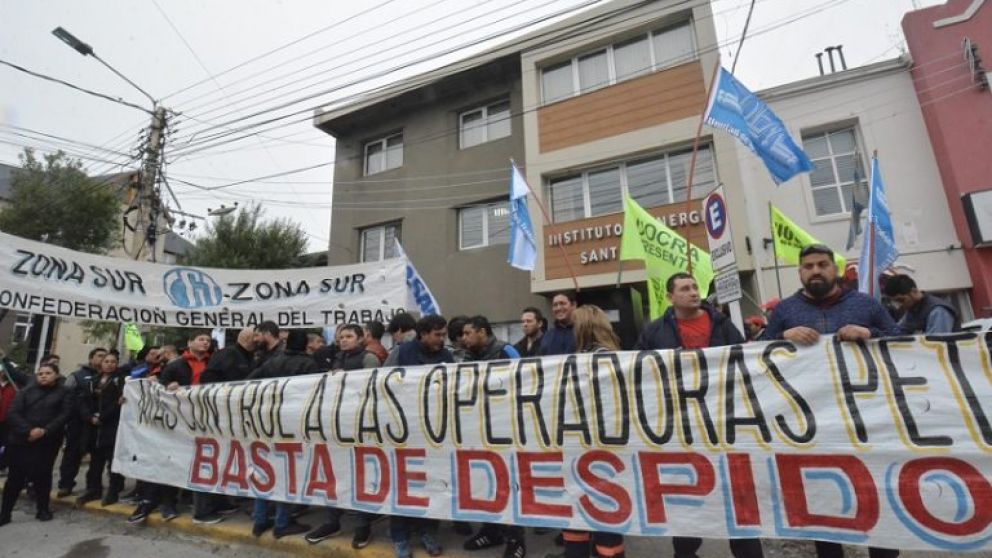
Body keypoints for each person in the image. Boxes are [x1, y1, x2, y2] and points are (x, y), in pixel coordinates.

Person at [761, 244, 900, 558]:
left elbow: (902, 342)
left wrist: (870, 333)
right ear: (800, 272)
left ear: (834, 269)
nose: (815, 271)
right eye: (808, 266)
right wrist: (783, 337)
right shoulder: (784, 311)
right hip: (812, 424)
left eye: (822, 264)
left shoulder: (865, 304)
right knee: (823, 497)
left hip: (866, 419)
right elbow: (758, 353)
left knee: (877, 491)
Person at [635, 272, 763, 558]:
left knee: (735, 494)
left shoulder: (723, 324)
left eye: (695, 287)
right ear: (671, 297)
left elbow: (745, 360)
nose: (693, 292)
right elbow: (637, 367)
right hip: (682, 427)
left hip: (725, 422)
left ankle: (746, 550)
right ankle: (686, 551)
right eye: (684, 288)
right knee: (686, 493)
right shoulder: (655, 331)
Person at [306, 324, 378, 549]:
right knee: (332, 476)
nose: (344, 340)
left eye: (349, 336)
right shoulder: (336, 359)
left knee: (359, 478)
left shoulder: (369, 359)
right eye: (341, 337)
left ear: (360, 338)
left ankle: (362, 526)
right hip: (335, 428)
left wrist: (347, 379)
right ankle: (331, 522)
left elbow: (374, 389)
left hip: (359, 429)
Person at [562, 305, 625, 558]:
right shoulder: (608, 355)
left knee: (589, 514)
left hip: (592, 448)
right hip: (599, 448)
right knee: (602, 516)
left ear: (584, 327)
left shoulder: (595, 359)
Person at [459, 316, 524, 558]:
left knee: (509, 484)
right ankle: (492, 531)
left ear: (482, 332)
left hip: (505, 429)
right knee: (484, 483)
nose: (463, 338)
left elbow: (525, 380)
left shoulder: (505, 351)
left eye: (467, 333)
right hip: (478, 430)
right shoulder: (467, 357)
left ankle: (516, 540)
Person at [390, 315, 452, 558]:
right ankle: (400, 537)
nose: (441, 339)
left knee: (432, 485)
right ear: (423, 334)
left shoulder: (446, 357)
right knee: (402, 486)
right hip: (404, 432)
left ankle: (428, 531)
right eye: (437, 334)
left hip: (434, 433)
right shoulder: (401, 353)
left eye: (443, 334)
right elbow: (380, 384)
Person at [246, 330, 315, 539]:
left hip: (268, 421)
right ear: (305, 345)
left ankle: (259, 521)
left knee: (264, 470)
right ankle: (282, 522)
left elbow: (250, 381)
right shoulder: (309, 364)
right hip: (293, 424)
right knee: (287, 472)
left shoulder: (273, 362)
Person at [0, 363, 70, 526]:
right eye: (40, 373)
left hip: (47, 442)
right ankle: (5, 513)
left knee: (42, 477)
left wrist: (44, 431)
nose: (43, 376)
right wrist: (29, 431)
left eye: (48, 373)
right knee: (14, 479)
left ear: (56, 375)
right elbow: (13, 413)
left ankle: (43, 509)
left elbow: (64, 416)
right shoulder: (26, 391)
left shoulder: (64, 393)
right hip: (21, 441)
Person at [127, 345, 182, 524]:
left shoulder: (179, 367)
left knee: (169, 463)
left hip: (173, 424)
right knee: (152, 463)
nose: (158, 357)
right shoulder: (147, 370)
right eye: (155, 354)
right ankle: (147, 501)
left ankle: (167, 502)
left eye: (161, 354)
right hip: (152, 424)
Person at [75, 352, 126, 507]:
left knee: (113, 461)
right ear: (101, 364)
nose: (109, 364)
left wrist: (102, 417)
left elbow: (120, 403)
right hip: (93, 428)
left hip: (111, 426)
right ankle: (93, 489)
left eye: (113, 361)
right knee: (95, 462)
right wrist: (90, 417)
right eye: (106, 361)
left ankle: (113, 491)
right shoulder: (93, 380)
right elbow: (83, 401)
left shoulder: (121, 381)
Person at [57, 347, 106, 497]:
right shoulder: (77, 376)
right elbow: (66, 397)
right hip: (78, 424)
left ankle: (93, 487)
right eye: (99, 356)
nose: (102, 359)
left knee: (97, 458)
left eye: (105, 357)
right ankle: (65, 485)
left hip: (99, 424)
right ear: (91, 359)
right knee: (72, 455)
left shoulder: (109, 378)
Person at [882, 274, 959, 334]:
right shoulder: (912, 311)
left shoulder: (938, 311)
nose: (899, 305)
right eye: (894, 302)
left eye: (901, 300)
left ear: (914, 291)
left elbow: (937, 344)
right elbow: (898, 332)